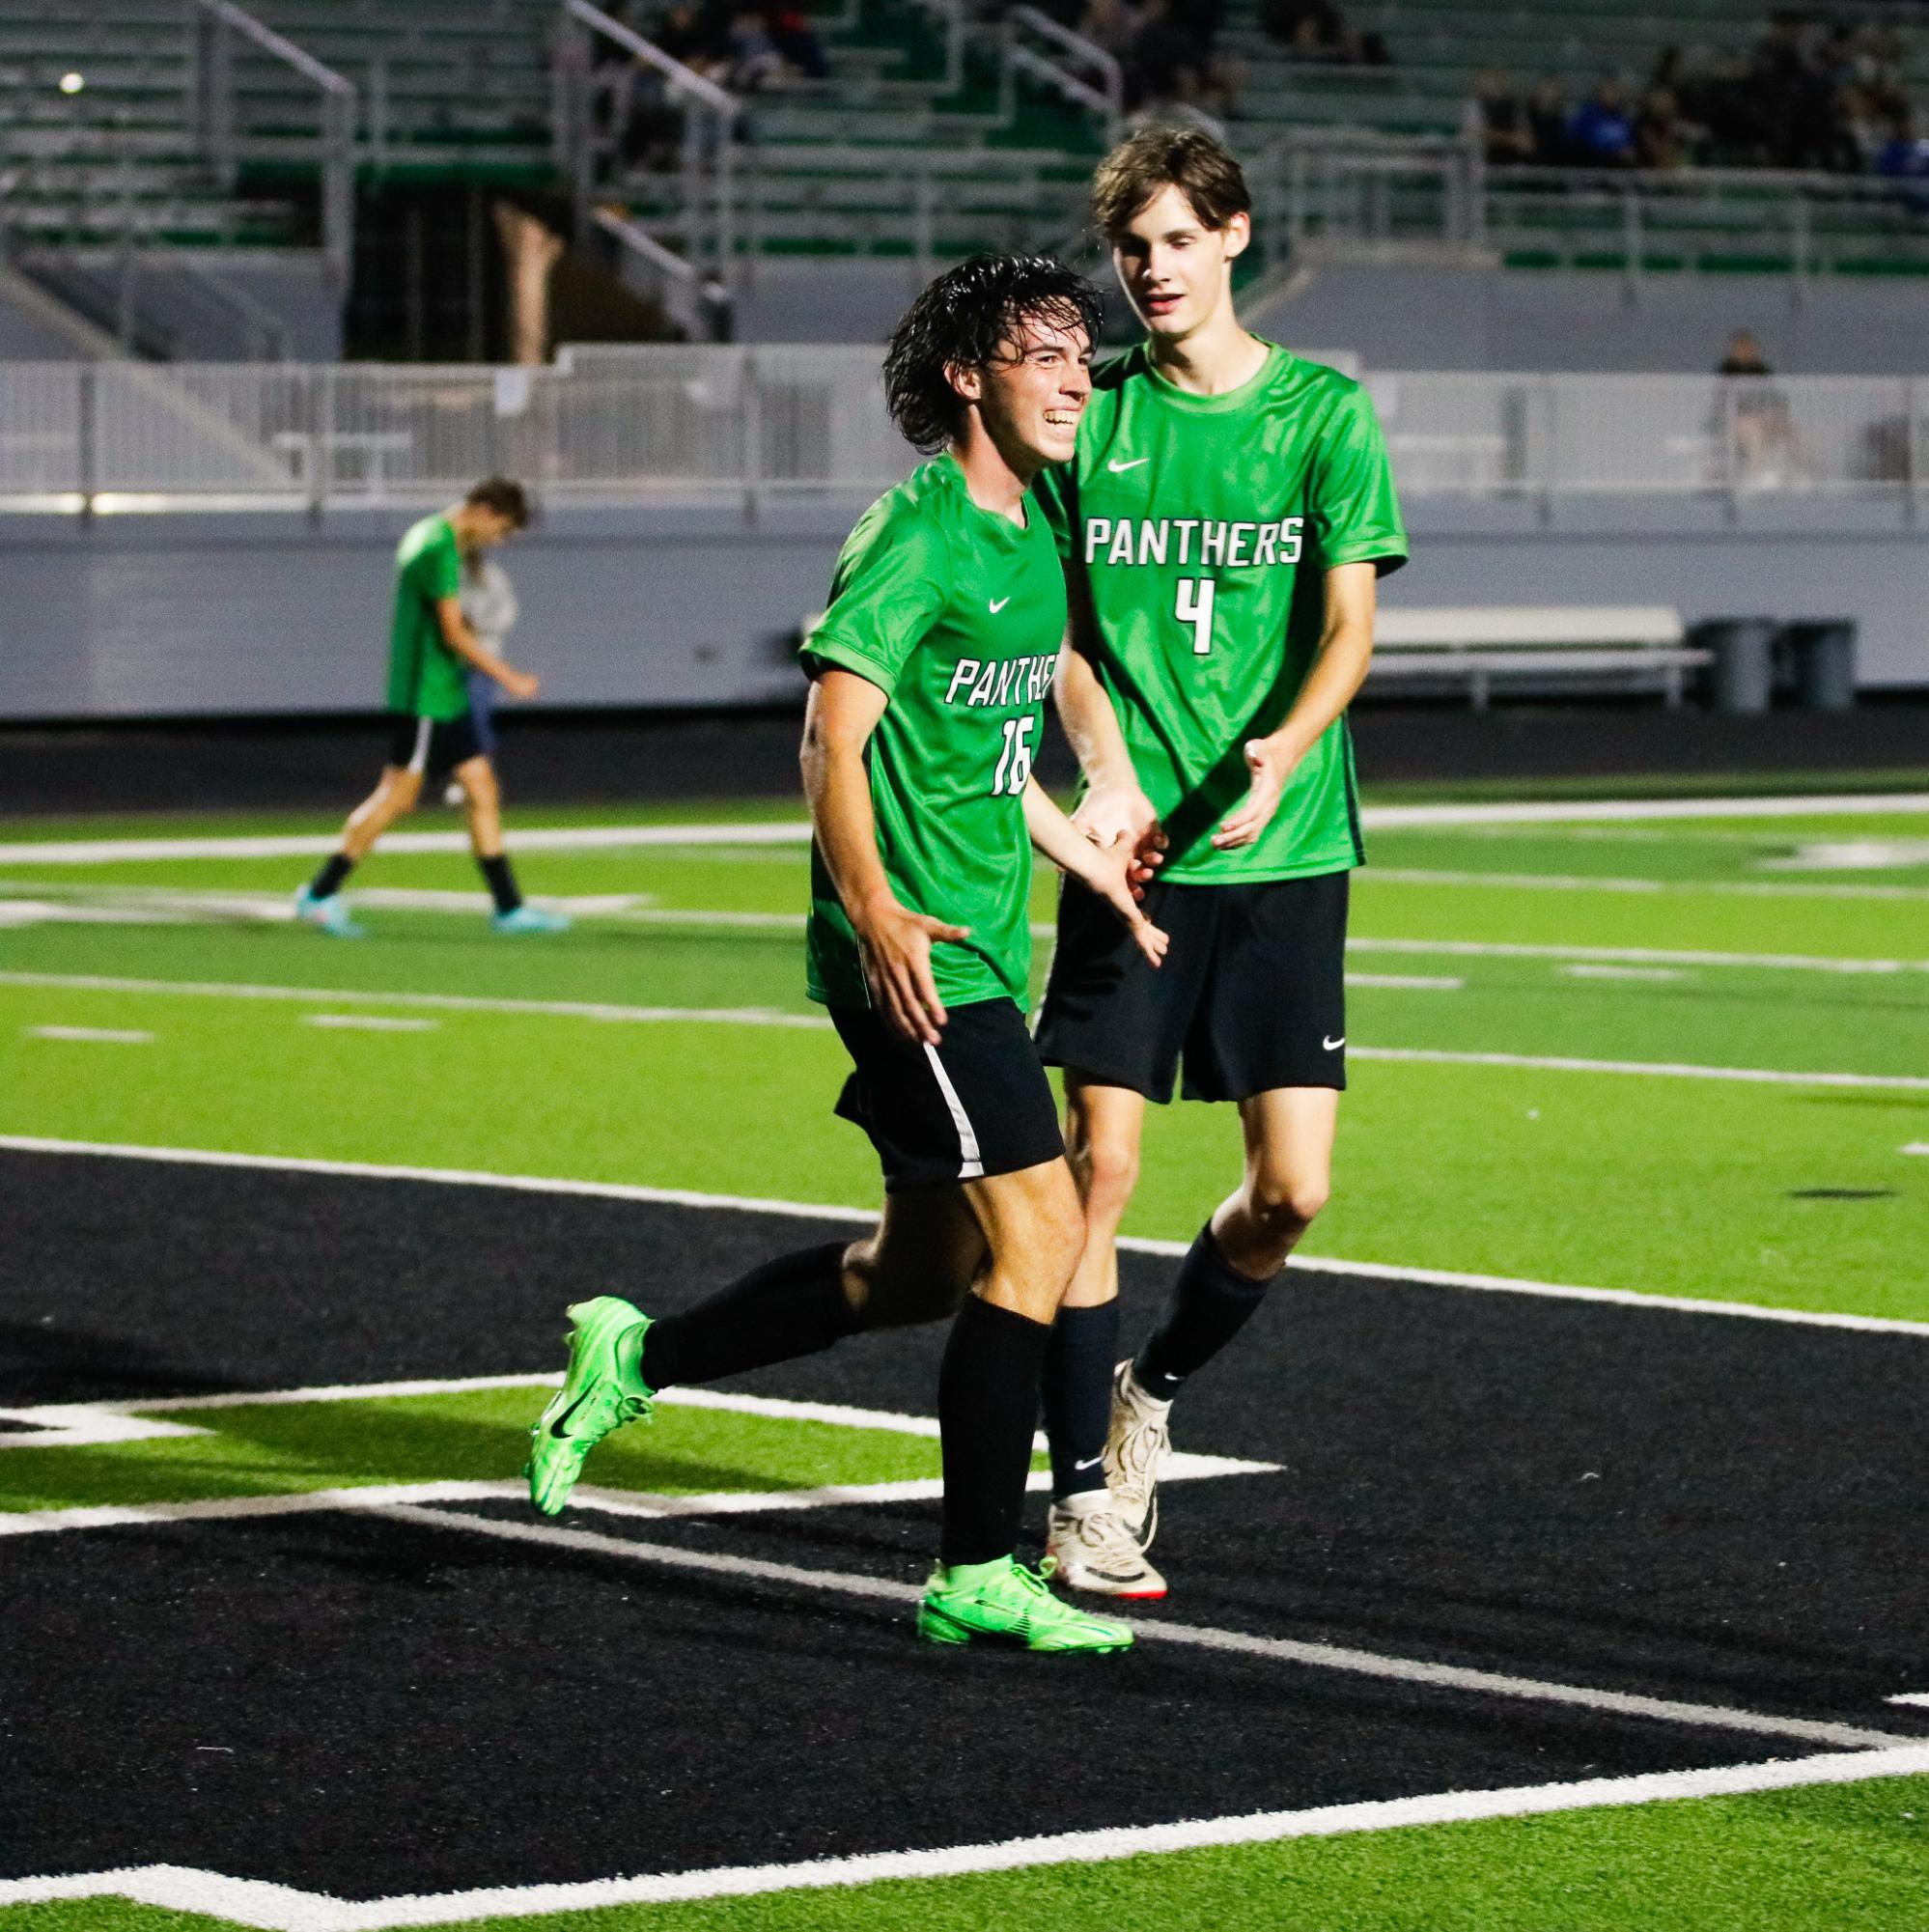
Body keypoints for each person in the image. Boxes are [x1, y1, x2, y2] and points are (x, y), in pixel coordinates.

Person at [522, 255, 1171, 1652]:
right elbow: (831, 735)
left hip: (984, 941)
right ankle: (971, 1571)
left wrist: (1093, 856)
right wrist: (872, 911)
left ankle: (637, 1351)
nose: (1071, 378)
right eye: (1040, 354)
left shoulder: (1030, 526)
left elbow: (996, 753)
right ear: (965, 375)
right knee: (1046, 1232)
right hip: (919, 960)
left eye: (1079, 355)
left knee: (920, 1272)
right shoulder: (917, 533)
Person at [1028, 126, 1407, 1594]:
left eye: (1176, 241)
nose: (1150, 271)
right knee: (1099, 1168)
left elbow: (1351, 628)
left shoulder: (1320, 413)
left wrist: (1283, 748)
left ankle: (1150, 1396)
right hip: (1130, 853)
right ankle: (1077, 1503)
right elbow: (1055, 631)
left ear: (1233, 238)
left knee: (1291, 1192)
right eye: (1130, 249)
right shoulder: (1091, 418)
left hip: (1287, 843)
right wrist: (1109, 773)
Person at [294, 477, 570, 938]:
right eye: (500, 529)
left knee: (481, 788)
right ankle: (319, 894)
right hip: (425, 694)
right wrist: (510, 678)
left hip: (444, 692)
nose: (497, 541)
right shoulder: (440, 546)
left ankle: (509, 908)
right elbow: (452, 634)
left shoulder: (429, 537)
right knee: (396, 798)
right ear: (483, 510)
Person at [441, 543, 517, 809]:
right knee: (455, 719)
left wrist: (479, 624)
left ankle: (481, 776)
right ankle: (462, 778)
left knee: (477, 716)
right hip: (454, 660)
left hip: (484, 658)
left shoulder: (493, 577)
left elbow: (506, 614)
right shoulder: (452, 578)